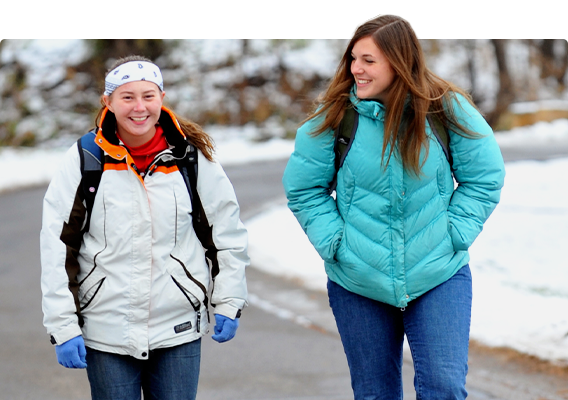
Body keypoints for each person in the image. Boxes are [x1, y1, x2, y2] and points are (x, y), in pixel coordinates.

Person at [282, 14, 505, 400]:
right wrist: (337, 244)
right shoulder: (337, 116)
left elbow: (485, 177)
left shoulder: (444, 108)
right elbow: (303, 190)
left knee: (445, 389)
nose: (356, 69)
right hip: (358, 280)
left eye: (369, 60)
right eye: (353, 58)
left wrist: (455, 233)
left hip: (438, 273)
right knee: (375, 394)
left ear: (399, 62)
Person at [40, 55, 248, 400]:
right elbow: (58, 247)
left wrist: (229, 299)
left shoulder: (191, 159)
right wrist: (63, 325)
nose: (140, 107)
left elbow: (226, 233)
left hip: (178, 328)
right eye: (127, 96)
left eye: (148, 95)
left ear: (162, 98)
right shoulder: (85, 160)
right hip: (106, 331)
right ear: (108, 102)